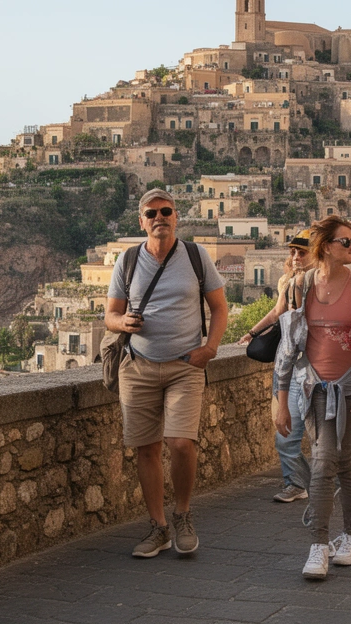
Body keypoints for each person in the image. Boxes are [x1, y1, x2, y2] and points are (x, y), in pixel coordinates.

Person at [105, 189, 229, 559]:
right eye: (152, 213)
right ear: (141, 222)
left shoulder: (195, 256)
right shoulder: (127, 260)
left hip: (185, 366)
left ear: (176, 217)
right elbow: (110, 316)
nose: (160, 217)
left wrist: (210, 349)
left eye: (166, 211)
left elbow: (219, 308)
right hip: (137, 365)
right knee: (146, 448)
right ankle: (158, 526)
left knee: (181, 443)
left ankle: (183, 515)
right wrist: (122, 321)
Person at [273, 216, 351, 580]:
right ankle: (333, 541)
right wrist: (281, 396)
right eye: (345, 242)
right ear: (326, 248)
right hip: (315, 388)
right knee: (329, 461)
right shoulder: (301, 285)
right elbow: (289, 346)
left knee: (341, 461)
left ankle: (338, 540)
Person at [239, 230, 314, 504]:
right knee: (285, 431)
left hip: (317, 368)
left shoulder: (326, 284)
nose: (295, 257)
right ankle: (296, 483)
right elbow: (276, 313)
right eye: (292, 252)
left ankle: (323, 486)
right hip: (290, 368)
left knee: (323, 438)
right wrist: (251, 332)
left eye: (301, 252)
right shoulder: (290, 284)